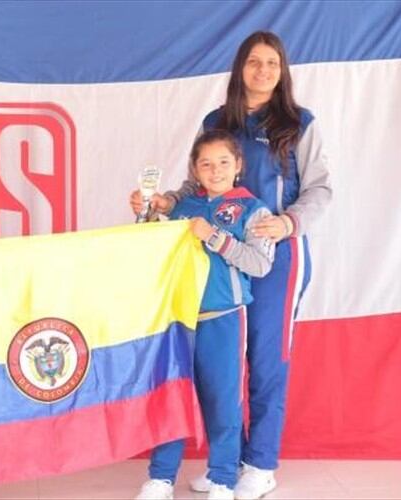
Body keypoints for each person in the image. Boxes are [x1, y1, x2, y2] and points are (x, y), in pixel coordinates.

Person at [130, 31, 332, 499]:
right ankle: (229, 463)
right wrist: (165, 201)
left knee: (264, 360)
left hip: (275, 254)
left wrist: (289, 222)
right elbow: (196, 184)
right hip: (217, 263)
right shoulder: (217, 120)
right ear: (240, 67)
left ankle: (259, 464)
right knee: (220, 363)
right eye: (254, 62)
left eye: (272, 64)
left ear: (283, 72)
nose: (263, 71)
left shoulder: (299, 123)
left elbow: (321, 188)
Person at [134, 130, 275, 500]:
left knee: (223, 400)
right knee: (171, 397)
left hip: (224, 318)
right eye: (206, 164)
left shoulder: (254, 209)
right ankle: (162, 478)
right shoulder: (183, 207)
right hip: (179, 320)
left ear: (239, 165)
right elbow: (150, 249)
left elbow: (259, 264)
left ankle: (224, 479)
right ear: (195, 170)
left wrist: (215, 237)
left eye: (224, 162)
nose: (215, 170)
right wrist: (145, 212)